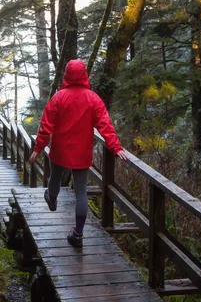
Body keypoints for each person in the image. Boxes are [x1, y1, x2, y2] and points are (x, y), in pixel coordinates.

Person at [29, 59, 129, 248]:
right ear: (84, 75)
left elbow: (46, 126)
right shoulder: (93, 98)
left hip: (60, 150)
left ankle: (51, 198)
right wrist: (116, 147)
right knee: (81, 191)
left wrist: (38, 149)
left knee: (55, 179)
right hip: (82, 152)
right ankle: (78, 234)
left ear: (66, 74)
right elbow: (105, 125)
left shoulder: (58, 98)